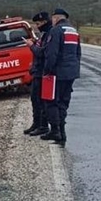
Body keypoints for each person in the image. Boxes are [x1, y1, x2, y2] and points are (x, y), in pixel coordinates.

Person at [41, 8, 81, 146]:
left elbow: (52, 54)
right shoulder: (74, 31)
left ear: (56, 18)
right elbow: (78, 53)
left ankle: (56, 131)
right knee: (63, 102)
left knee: (51, 101)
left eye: (53, 18)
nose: (51, 21)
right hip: (71, 73)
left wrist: (47, 70)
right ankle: (62, 132)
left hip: (58, 72)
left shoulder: (56, 31)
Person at [24, 11, 52, 136]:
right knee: (35, 99)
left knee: (41, 101)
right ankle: (37, 123)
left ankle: (43, 126)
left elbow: (42, 53)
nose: (37, 26)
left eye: (38, 23)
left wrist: (31, 46)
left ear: (45, 22)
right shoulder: (43, 35)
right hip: (37, 71)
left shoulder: (49, 34)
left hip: (42, 72)